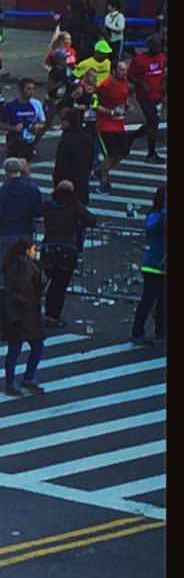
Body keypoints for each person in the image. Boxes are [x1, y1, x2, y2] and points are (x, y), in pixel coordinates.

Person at [41, 179, 97, 329]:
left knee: (51, 282)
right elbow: (92, 220)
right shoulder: (74, 207)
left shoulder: (48, 205)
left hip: (48, 248)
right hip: (66, 250)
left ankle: (48, 313)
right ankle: (54, 316)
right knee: (60, 285)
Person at [0, 238, 47, 397]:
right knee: (19, 348)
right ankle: (18, 380)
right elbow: (21, 286)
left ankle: (18, 380)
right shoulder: (22, 266)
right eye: (33, 249)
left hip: (25, 313)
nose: (35, 252)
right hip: (22, 312)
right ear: (27, 250)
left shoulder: (19, 265)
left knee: (21, 348)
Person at [95, 59, 142, 192]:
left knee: (122, 153)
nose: (124, 72)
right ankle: (103, 182)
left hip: (119, 124)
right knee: (110, 154)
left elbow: (124, 96)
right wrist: (110, 111)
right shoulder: (105, 85)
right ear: (114, 71)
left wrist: (127, 104)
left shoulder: (125, 83)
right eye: (121, 70)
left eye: (125, 70)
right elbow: (94, 104)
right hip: (105, 125)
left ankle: (101, 171)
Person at [130, 186, 165, 345]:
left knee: (163, 301)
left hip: (163, 265)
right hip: (153, 265)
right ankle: (137, 331)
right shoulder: (155, 215)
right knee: (149, 299)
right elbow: (150, 230)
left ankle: (161, 332)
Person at [127, 35, 167, 163]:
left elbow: (163, 75)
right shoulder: (139, 59)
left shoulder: (163, 57)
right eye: (155, 46)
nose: (157, 48)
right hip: (144, 96)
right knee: (153, 120)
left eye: (159, 45)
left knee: (152, 122)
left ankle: (131, 136)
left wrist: (164, 93)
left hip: (158, 95)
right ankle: (151, 153)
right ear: (149, 46)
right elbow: (130, 76)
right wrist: (140, 83)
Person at [0, 77, 45, 162]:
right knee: (13, 168)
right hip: (14, 142)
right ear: (21, 89)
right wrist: (14, 128)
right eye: (28, 89)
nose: (31, 91)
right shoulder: (10, 106)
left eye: (33, 89)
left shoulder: (36, 104)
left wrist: (37, 127)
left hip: (29, 142)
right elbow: (1, 125)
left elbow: (43, 122)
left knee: (26, 167)